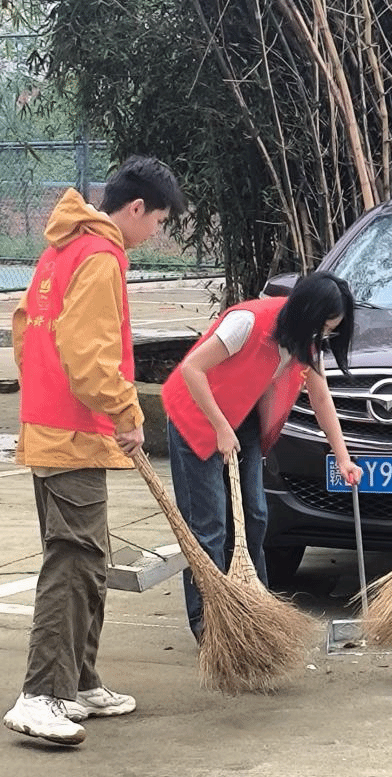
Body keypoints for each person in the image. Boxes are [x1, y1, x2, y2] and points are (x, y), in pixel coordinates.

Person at [3, 156, 186, 745]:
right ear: (136, 208)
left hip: (50, 424)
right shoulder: (101, 256)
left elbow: (24, 331)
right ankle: (41, 695)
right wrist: (127, 413)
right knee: (74, 558)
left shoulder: (61, 249)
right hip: (75, 431)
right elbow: (90, 355)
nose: (155, 232)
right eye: (158, 220)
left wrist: (49, 396)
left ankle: (78, 682)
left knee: (85, 557)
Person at [162, 271, 363, 640]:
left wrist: (342, 456)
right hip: (196, 415)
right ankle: (209, 621)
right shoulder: (248, 322)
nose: (323, 338)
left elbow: (321, 398)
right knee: (209, 525)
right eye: (323, 329)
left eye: (330, 332)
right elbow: (192, 368)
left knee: (254, 515)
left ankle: (254, 606)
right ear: (305, 314)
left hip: (242, 419)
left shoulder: (306, 341)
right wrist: (220, 427)